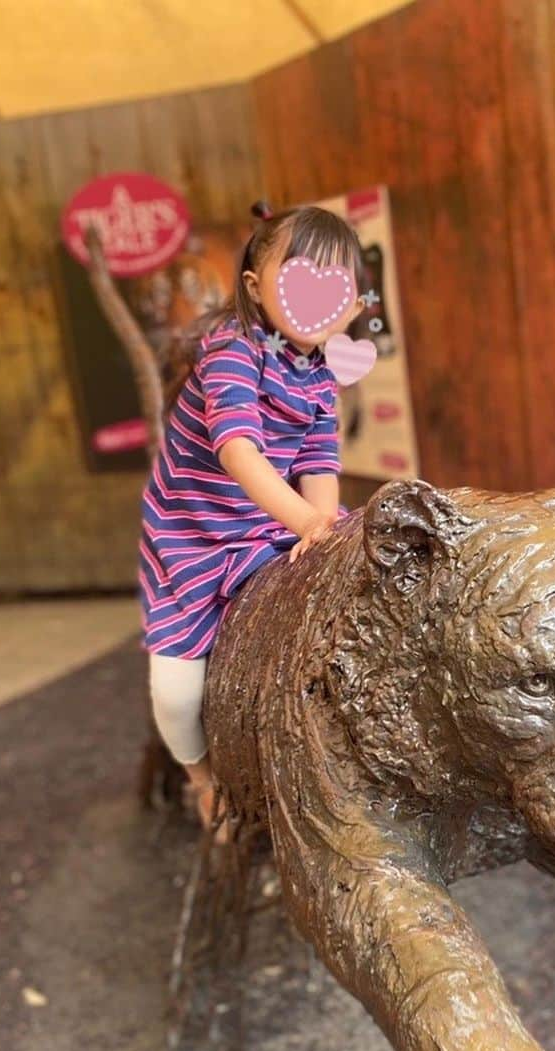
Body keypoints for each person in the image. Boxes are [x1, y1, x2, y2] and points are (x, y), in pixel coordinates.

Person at [139, 201, 365, 831]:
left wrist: (323, 529)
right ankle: (202, 779)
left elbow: (319, 458)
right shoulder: (233, 350)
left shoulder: (321, 375)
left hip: (271, 519)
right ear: (254, 289)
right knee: (178, 690)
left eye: (337, 286)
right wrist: (307, 523)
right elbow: (238, 448)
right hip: (196, 532)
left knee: (349, 593)